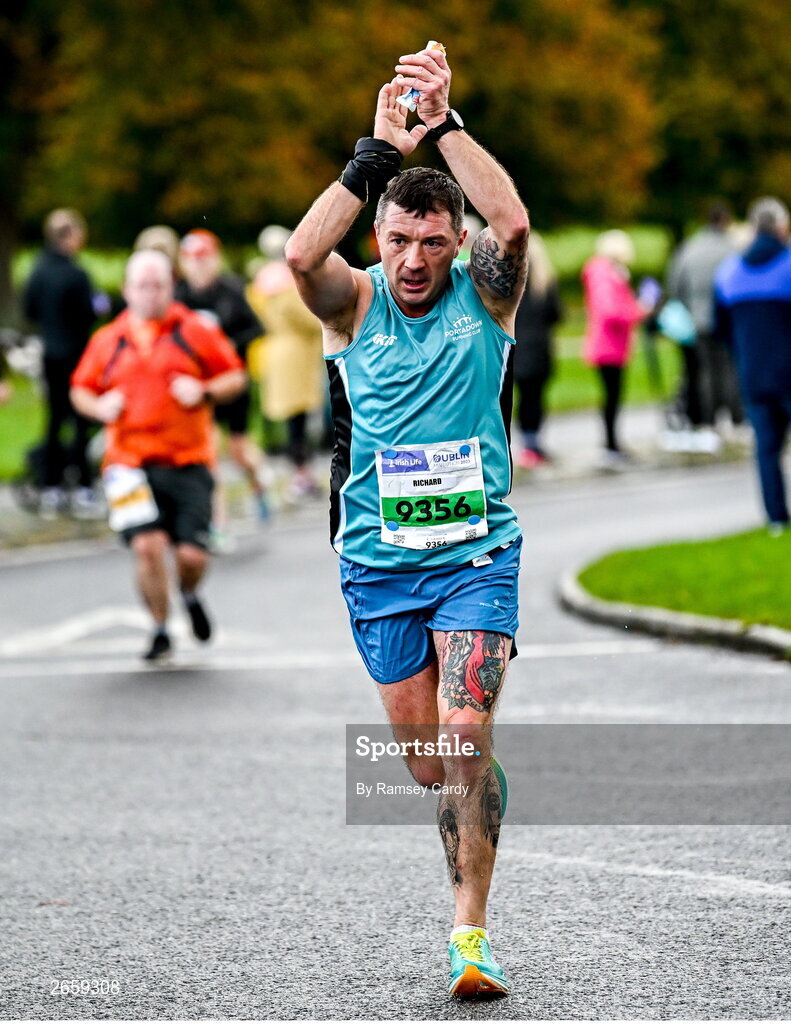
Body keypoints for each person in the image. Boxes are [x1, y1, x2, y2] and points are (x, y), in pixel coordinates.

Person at [286, 49, 528, 998]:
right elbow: (302, 256)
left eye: (432, 242)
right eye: (398, 242)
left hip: (478, 552)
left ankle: (469, 936)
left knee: (466, 740)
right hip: (379, 563)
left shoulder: (486, 293)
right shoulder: (349, 306)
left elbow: (510, 219)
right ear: (379, 237)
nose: (415, 261)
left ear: (454, 240)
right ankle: (461, 802)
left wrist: (442, 125)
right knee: (428, 765)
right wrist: (373, 155)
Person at [70, 250, 246, 660]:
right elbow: (80, 388)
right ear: (127, 290)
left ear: (171, 287)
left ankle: (188, 591)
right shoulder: (108, 339)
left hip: (188, 460)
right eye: (141, 286)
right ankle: (161, 627)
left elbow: (234, 375)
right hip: (127, 463)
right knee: (147, 548)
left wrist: (203, 391)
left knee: (191, 555)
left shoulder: (193, 330)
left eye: (158, 285)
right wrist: (99, 407)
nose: (150, 294)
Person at [175, 230, 268, 539]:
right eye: (192, 261)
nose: (198, 267)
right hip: (199, 388)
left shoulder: (231, 291)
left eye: (204, 260)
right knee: (209, 453)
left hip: (233, 384)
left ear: (215, 260)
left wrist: (226, 344)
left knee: (240, 452)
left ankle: (259, 483)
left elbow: (257, 329)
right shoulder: (179, 296)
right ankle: (218, 522)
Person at [714, 197, 791, 534]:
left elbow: (722, 329)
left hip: (753, 372)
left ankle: (776, 519)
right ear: (780, 227)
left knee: (767, 449)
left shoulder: (729, 272)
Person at [23, 209, 98, 516]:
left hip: (49, 353)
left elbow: (30, 311)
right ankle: (82, 485)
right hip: (76, 354)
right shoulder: (76, 274)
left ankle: (50, 485)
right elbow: (89, 313)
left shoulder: (37, 271)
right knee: (79, 420)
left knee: (54, 420)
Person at [248, 225, 324, 502]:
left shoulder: (260, 281)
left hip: (274, 351)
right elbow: (305, 316)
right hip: (296, 354)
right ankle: (300, 477)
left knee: (289, 421)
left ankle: (295, 476)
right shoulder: (285, 281)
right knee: (299, 420)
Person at [666, 202, 742, 452]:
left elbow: (675, 284)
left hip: (697, 319)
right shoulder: (731, 249)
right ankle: (734, 419)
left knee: (704, 372)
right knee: (729, 370)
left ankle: (707, 421)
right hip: (726, 319)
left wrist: (689, 306)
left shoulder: (690, 248)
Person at [581, 230, 648, 467]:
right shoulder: (605, 274)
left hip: (612, 344)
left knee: (614, 396)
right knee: (611, 396)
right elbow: (610, 310)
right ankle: (611, 444)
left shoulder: (607, 273)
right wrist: (638, 311)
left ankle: (613, 442)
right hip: (608, 345)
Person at [513, 232, 562, 468]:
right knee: (536, 398)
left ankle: (524, 444)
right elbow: (555, 314)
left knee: (518, 398)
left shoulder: (509, 280)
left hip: (515, 345)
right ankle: (534, 443)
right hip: (540, 346)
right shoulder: (545, 278)